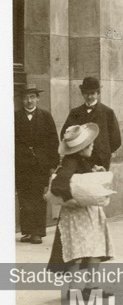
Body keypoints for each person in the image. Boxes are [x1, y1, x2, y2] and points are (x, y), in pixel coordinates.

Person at [47, 123, 114, 273]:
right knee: (79, 251)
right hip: (78, 215)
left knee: (94, 249)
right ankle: (76, 289)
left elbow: (81, 179)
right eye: (90, 144)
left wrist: (94, 172)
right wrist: (69, 199)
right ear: (82, 148)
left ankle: (88, 288)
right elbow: (58, 184)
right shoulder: (71, 162)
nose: (92, 146)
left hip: (88, 213)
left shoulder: (80, 160)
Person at [15, 85, 59, 244]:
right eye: (26, 97)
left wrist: (53, 165)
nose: (29, 101)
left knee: (39, 198)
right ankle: (27, 231)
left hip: (41, 165)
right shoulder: (15, 117)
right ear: (22, 99)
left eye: (32, 97)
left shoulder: (46, 116)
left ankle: (38, 232)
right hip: (22, 165)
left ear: (37, 99)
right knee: (25, 198)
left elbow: (54, 141)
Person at [61, 76, 121, 171]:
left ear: (98, 94)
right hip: (79, 160)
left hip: (100, 160)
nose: (89, 97)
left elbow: (116, 140)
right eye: (86, 93)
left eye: (92, 93)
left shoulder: (107, 112)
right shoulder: (75, 112)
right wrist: (78, 151)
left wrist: (104, 151)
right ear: (82, 94)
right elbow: (64, 135)